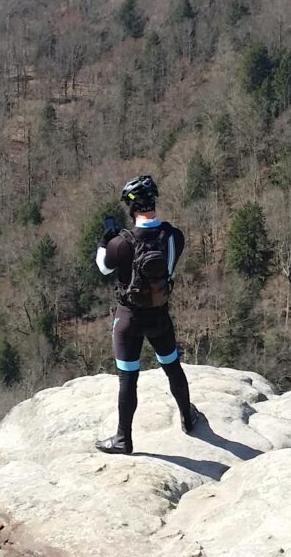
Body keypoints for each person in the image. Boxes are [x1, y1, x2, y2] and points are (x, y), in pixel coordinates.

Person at [92, 174, 202, 454]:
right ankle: (188, 419)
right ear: (153, 203)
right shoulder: (174, 236)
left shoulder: (120, 243)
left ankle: (123, 439)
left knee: (128, 378)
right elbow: (170, 270)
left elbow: (103, 268)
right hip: (159, 316)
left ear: (131, 209)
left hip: (128, 320)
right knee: (172, 367)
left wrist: (105, 241)